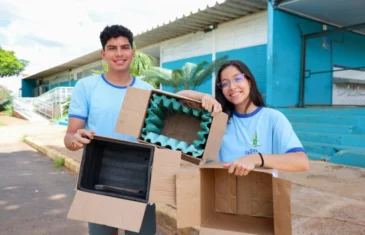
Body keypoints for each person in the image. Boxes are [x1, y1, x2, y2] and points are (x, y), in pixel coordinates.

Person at [64, 25, 156, 235]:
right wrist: (75, 139)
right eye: (112, 48)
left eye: (124, 47)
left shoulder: (148, 91)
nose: (119, 53)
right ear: (103, 54)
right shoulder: (86, 87)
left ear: (133, 52)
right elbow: (69, 138)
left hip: (141, 179)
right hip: (100, 179)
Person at [177, 60, 309, 175]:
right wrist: (203, 97)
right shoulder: (218, 118)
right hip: (219, 194)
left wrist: (255, 159)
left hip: (260, 195)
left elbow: (301, 161)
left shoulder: (273, 118)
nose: (232, 87)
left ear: (249, 81)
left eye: (237, 79)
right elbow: (177, 96)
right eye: (225, 83)